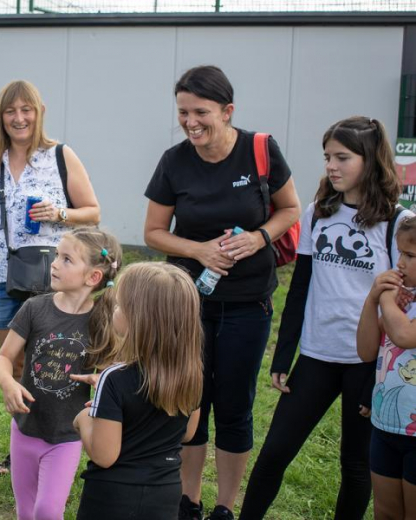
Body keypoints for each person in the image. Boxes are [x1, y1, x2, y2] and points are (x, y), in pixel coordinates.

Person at [143, 65, 301, 520]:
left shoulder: (260, 150)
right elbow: (153, 232)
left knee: (235, 406)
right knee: (188, 401)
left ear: (228, 111)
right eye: (183, 112)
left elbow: (290, 208)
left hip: (249, 304)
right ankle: (187, 500)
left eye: (201, 112)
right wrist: (199, 249)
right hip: (187, 304)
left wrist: (259, 238)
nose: (191, 122)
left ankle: (224, 508)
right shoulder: (174, 161)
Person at [240, 116, 410, 520]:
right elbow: (300, 288)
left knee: (355, 467)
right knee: (273, 454)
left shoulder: (397, 222)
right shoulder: (318, 211)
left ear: (369, 160)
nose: (331, 166)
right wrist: (283, 357)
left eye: (342, 157)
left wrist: (376, 376)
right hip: (316, 357)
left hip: (367, 364)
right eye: (327, 157)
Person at [0, 79, 101, 477]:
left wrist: (60, 214)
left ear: (38, 112)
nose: (19, 118)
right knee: (17, 367)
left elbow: (92, 210)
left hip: (48, 280)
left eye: (26, 109)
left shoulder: (59, 155)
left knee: (50, 367)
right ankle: (24, 446)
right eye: (11, 111)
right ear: (1, 117)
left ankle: (65, 444)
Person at [0, 227, 121, 519]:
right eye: (56, 255)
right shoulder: (34, 308)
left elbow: (111, 375)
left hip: (67, 436)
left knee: (48, 511)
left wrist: (100, 380)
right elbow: (3, 357)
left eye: (66, 259)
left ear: (93, 277)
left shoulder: (101, 322)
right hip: (24, 429)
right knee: (26, 512)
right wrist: (7, 383)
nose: (53, 263)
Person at [72, 262, 203, 519]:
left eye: (120, 305)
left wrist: (85, 420)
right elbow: (187, 433)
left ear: (139, 318)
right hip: (165, 495)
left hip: (112, 499)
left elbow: (104, 455)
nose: (115, 310)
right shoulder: (193, 374)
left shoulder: (113, 378)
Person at [358, 216, 416, 520]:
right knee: (386, 512)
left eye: (410, 255)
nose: (400, 263)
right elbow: (366, 351)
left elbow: (405, 336)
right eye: (399, 253)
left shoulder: (397, 303)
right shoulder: (403, 300)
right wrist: (371, 300)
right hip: (386, 425)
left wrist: (387, 300)